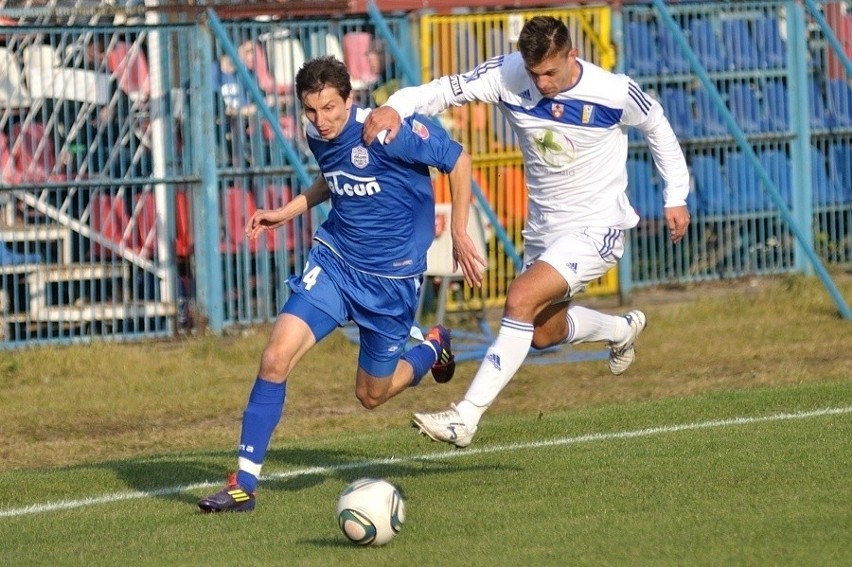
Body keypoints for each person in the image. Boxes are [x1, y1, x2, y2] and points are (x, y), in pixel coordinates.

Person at [363, 16, 691, 448]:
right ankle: (621, 330)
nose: (542, 83)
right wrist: (396, 106)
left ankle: (466, 417)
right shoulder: (507, 74)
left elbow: (657, 126)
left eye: (550, 72)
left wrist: (676, 194)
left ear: (572, 56)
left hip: (598, 227)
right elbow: (445, 89)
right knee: (542, 333)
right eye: (534, 73)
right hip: (543, 231)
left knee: (518, 299)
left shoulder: (612, 90)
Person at [198, 56, 486, 512]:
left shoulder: (390, 131)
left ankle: (432, 346)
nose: (322, 120)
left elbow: (459, 161)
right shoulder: (316, 134)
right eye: (311, 111)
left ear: (350, 99)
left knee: (371, 395)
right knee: (275, 357)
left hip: (392, 279)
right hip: (335, 261)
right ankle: (244, 485)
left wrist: (460, 231)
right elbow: (335, 180)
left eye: (331, 108)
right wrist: (288, 211)